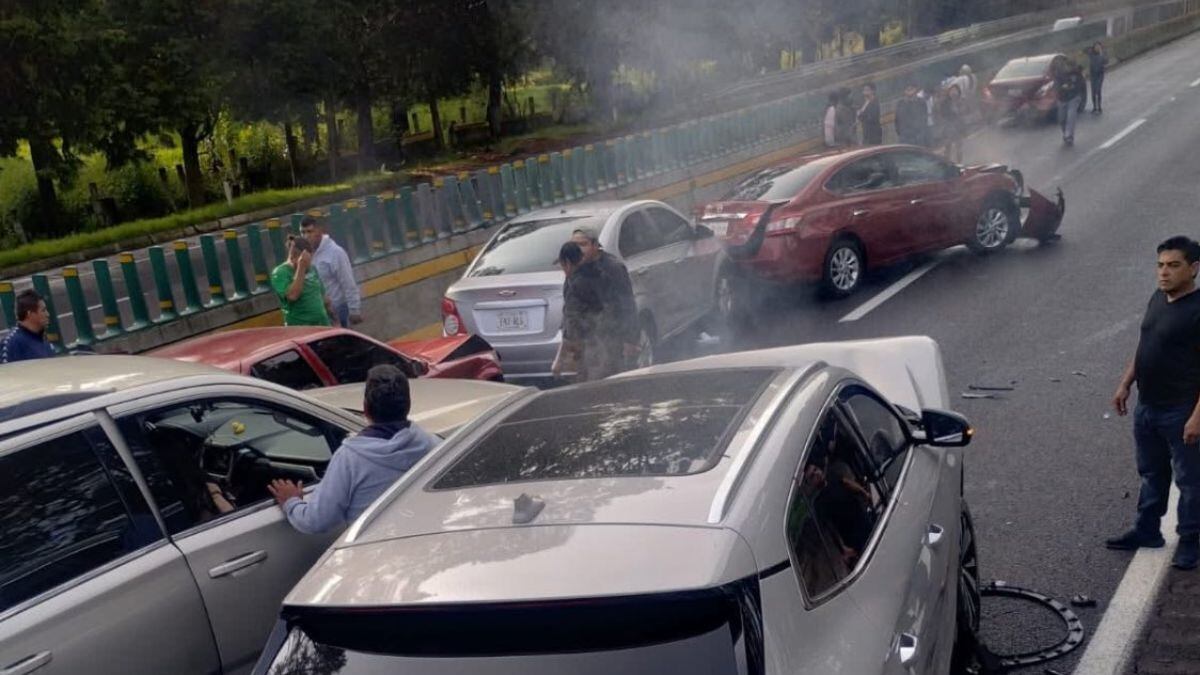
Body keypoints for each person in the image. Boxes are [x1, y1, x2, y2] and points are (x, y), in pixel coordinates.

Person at [1108, 236, 1200, 571]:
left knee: (1190, 482)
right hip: (1148, 407)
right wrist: (1125, 383)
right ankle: (1148, 530)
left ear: (1194, 268)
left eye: (1173, 266)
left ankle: (1190, 541)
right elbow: (1145, 342)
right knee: (1151, 473)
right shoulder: (1158, 298)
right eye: (1160, 265)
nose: (1164, 273)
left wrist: (1196, 418)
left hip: (1181, 410)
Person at [268, 364, 437, 534]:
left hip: (373, 551)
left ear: (365, 408)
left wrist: (291, 502)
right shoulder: (433, 445)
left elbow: (316, 521)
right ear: (408, 405)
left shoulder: (350, 459)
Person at [552, 241, 621, 382]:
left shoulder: (575, 285)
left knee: (592, 393)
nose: (563, 270)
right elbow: (617, 306)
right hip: (611, 343)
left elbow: (571, 324)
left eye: (562, 265)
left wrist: (559, 360)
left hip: (590, 350)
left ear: (567, 262)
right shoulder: (602, 275)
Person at [571, 228, 639, 366]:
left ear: (595, 245)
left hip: (613, 337)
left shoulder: (613, 268)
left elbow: (627, 304)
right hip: (589, 339)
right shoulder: (576, 268)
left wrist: (630, 340)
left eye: (583, 244)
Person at [301, 215, 362, 327]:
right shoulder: (304, 254)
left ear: (319, 231)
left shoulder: (335, 252)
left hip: (338, 309)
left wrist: (354, 310)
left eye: (310, 232)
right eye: (303, 232)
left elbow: (348, 282)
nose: (306, 236)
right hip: (317, 314)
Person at [271, 235, 332, 327]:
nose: (310, 264)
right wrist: (301, 267)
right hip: (301, 328)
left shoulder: (312, 269)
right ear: (294, 257)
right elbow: (293, 296)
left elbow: (323, 297)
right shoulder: (280, 272)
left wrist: (334, 318)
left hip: (323, 325)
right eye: (307, 260)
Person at [1, 289, 54, 363]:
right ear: (29, 314)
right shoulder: (12, 343)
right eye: (43, 310)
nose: (48, 314)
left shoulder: (42, 339)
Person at [1055, 63, 1087, 146]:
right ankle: (1065, 133)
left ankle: (1069, 136)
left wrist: (1073, 87)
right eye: (1066, 66)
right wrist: (1062, 88)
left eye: (1069, 66)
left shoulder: (1077, 74)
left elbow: (1081, 85)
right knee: (1062, 119)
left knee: (1071, 117)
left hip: (1073, 98)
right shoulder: (1059, 74)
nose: (1067, 68)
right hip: (1062, 99)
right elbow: (1056, 86)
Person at [937, 84, 966, 164]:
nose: (953, 92)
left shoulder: (961, 101)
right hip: (948, 126)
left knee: (959, 147)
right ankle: (947, 163)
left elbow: (964, 112)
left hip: (958, 127)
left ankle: (959, 163)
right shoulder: (945, 102)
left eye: (955, 91)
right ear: (949, 92)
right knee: (947, 146)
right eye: (952, 90)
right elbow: (942, 113)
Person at [1088, 42, 1108, 113]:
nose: (1097, 48)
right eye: (1096, 46)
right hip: (1093, 75)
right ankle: (1094, 107)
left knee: (1098, 90)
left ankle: (1099, 107)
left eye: (1099, 46)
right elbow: (1084, 50)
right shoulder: (1091, 54)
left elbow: (1106, 61)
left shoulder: (1102, 54)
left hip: (1100, 75)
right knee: (1093, 92)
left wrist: (1101, 53)